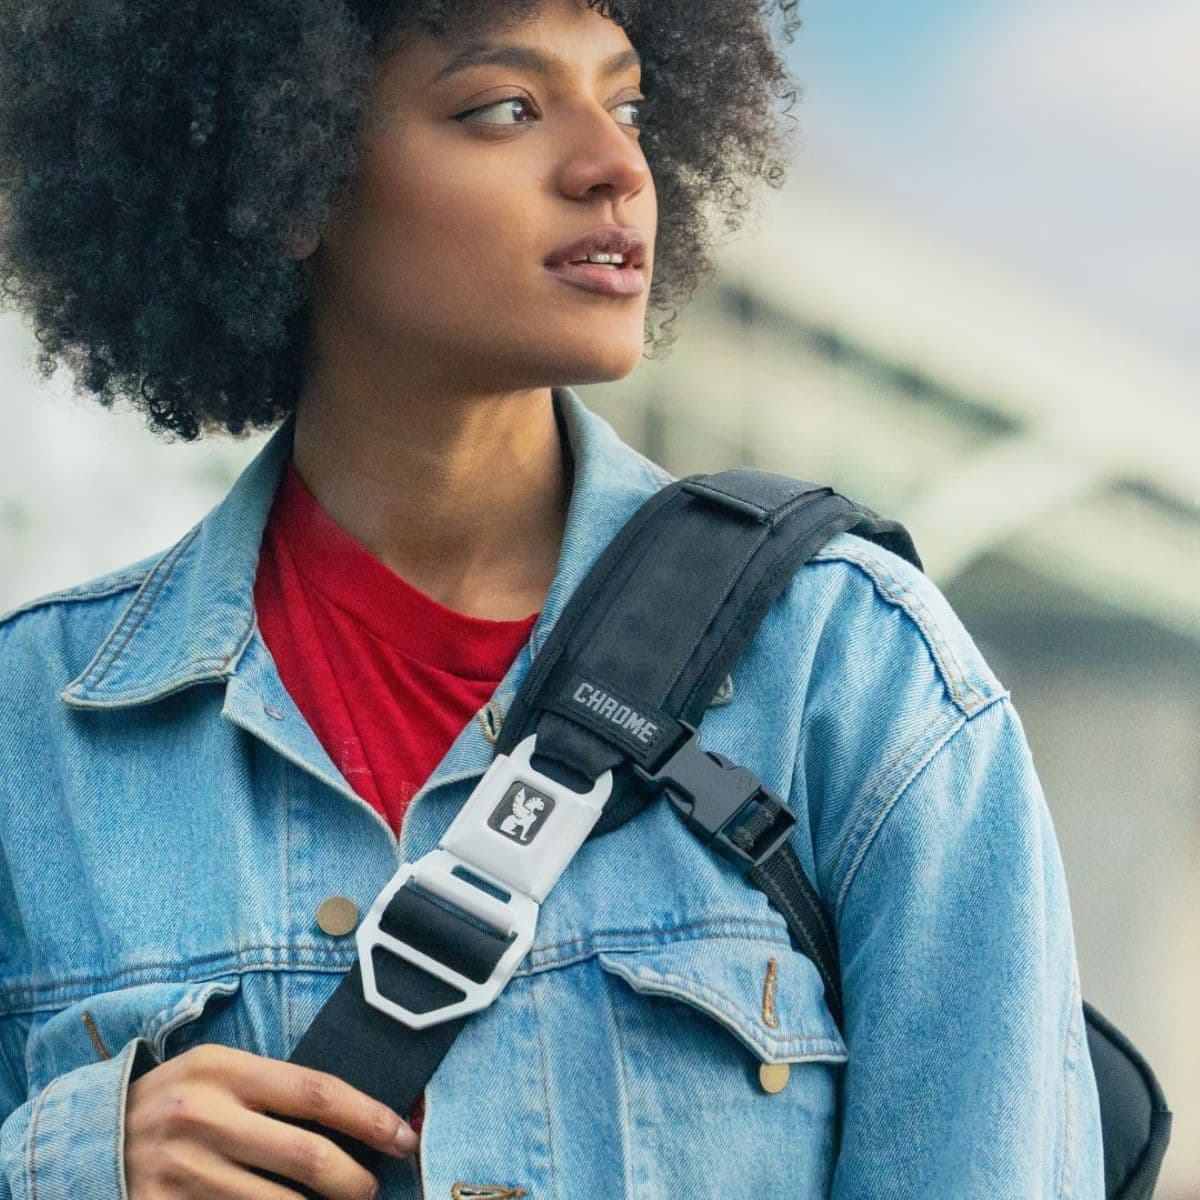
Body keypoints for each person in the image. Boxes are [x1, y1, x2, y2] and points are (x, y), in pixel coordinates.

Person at [0, 0, 1105, 1197]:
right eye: (506, 109)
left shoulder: (854, 674)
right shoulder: (32, 733)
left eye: (626, 105)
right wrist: (68, 1166)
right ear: (284, 177)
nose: (613, 166)